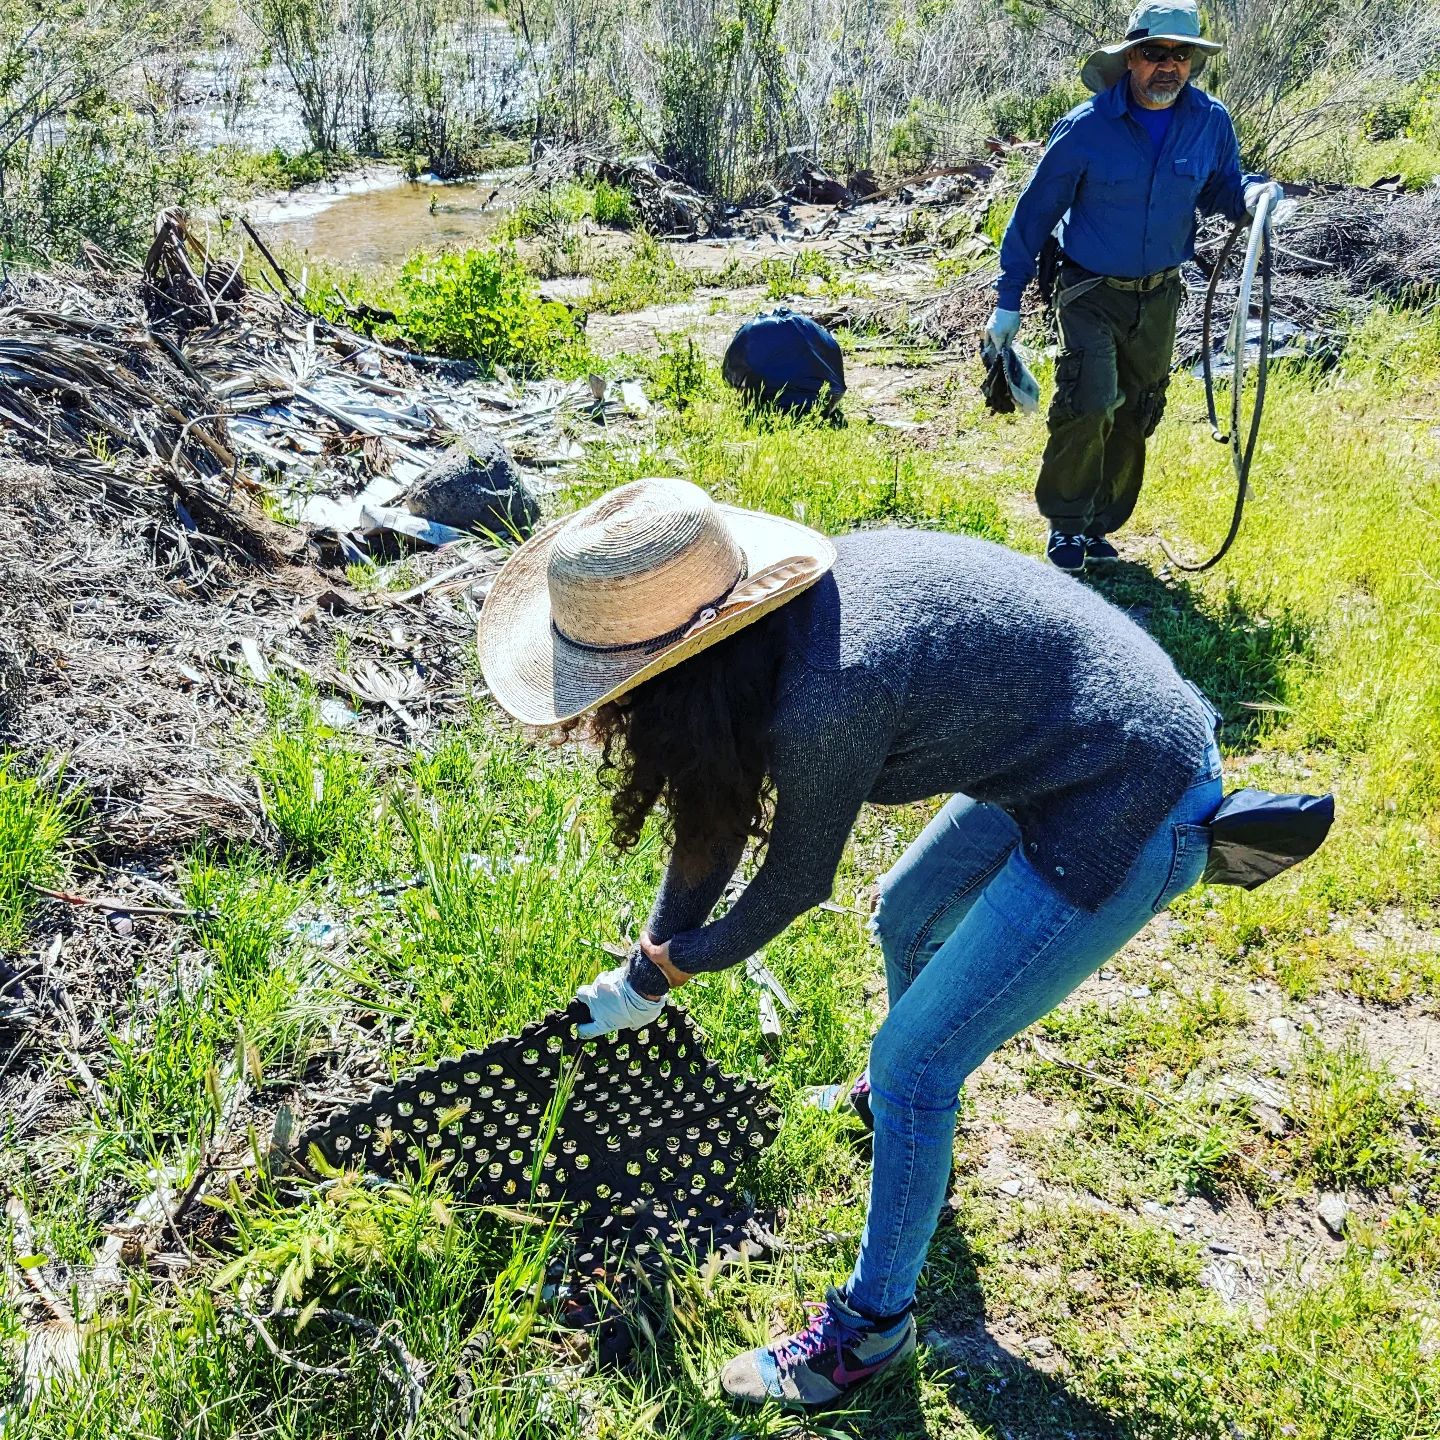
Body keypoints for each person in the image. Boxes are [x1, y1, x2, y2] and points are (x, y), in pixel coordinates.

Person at [476, 477, 1223, 1410]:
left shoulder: (827, 696)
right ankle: (896, 1111)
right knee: (906, 914)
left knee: (918, 1067)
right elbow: (713, 821)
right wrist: (653, 953)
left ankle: (869, 1334)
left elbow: (793, 885)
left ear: (681, 670)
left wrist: (672, 966)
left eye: (621, 693)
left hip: (1133, 790)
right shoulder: (770, 637)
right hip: (1062, 743)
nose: (613, 715)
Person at [985, 0, 1290, 574]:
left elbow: (1222, 188)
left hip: (1160, 294)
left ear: (1194, 62)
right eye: (1154, 54)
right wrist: (1007, 303)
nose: (1167, 66)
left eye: (1181, 55)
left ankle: (1101, 525)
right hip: (1089, 290)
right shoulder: (1086, 128)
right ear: (1130, 59)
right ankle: (1067, 525)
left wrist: (1252, 197)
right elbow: (1032, 216)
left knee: (1138, 407)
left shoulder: (1210, 121)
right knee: (1091, 400)